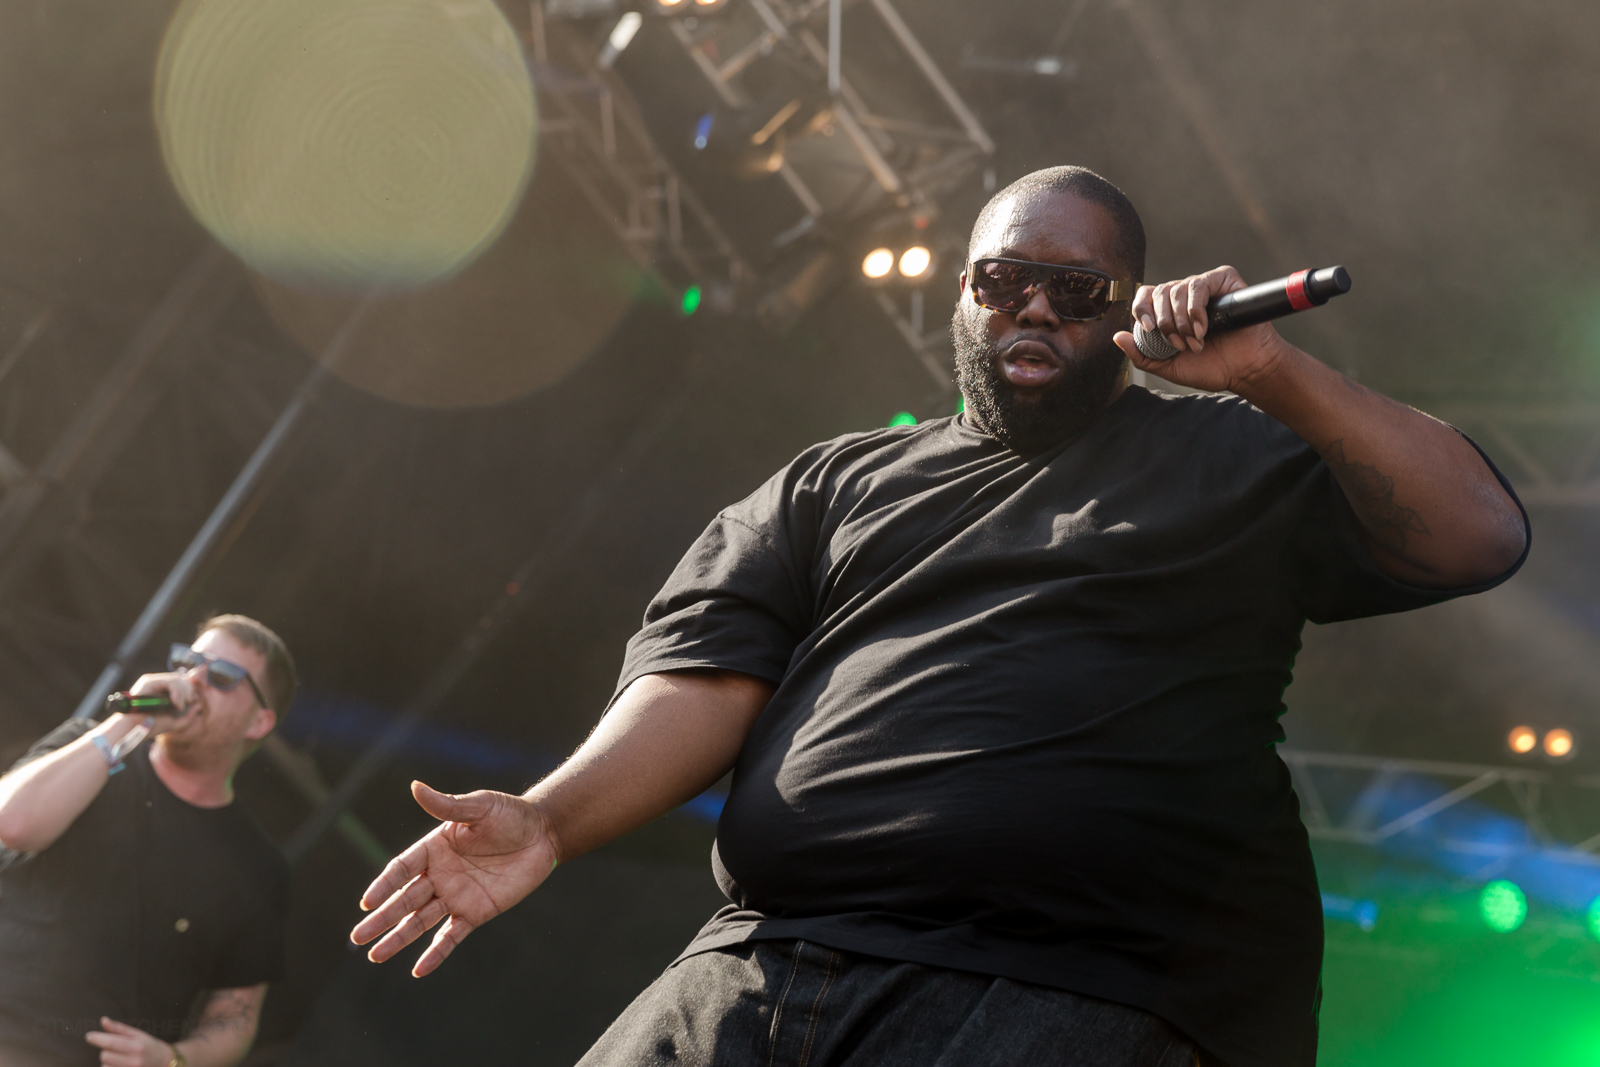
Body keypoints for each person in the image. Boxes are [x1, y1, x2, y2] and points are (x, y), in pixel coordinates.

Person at [349, 167, 1529, 1067]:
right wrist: (551, 821)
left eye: (1076, 291)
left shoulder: (1229, 453)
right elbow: (703, 679)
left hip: (1080, 978)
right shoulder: (835, 481)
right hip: (764, 957)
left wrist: (1272, 373)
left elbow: (1477, 532)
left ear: (1122, 309)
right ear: (959, 291)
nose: (1034, 308)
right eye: (1003, 279)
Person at [0, 615, 296, 1067]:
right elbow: (13, 822)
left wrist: (173, 1057)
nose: (194, 679)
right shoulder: (88, 745)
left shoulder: (257, 868)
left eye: (220, 676)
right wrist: (126, 722)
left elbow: (236, 1015)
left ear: (258, 722)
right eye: (188, 661)